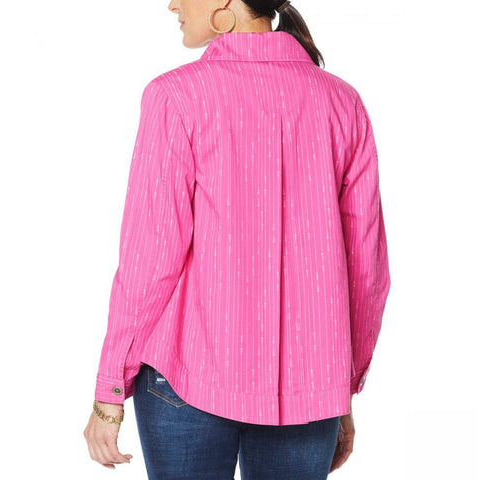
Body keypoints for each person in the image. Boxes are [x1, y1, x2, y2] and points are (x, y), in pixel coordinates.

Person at [83, 0, 391, 478]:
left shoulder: (177, 95)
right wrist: (341, 386)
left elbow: (151, 258)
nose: (173, 4)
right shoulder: (341, 100)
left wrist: (110, 389)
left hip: (184, 377)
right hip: (311, 385)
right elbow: (367, 269)